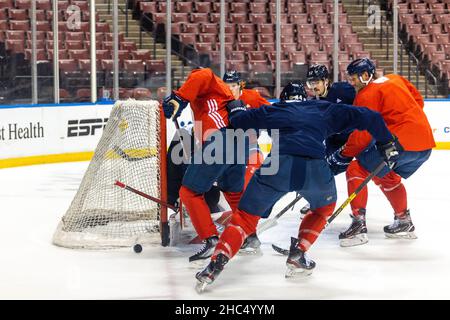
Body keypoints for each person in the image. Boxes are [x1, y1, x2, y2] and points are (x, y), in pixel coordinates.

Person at [195, 82, 401, 290]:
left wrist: (237, 106)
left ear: (283, 99)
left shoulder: (274, 109)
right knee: (322, 209)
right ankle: (299, 253)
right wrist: (386, 143)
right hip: (315, 169)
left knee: (245, 219)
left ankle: (216, 262)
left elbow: (238, 122)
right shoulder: (324, 109)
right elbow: (371, 117)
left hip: (277, 167)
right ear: (306, 98)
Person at [329, 58, 436, 247]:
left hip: (400, 145)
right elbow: (418, 101)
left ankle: (358, 226)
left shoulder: (367, 93)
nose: (352, 82)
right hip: (425, 145)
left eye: (354, 78)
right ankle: (403, 221)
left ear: (366, 75)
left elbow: (361, 136)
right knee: (385, 175)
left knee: (356, 169)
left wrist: (343, 154)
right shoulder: (396, 78)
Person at [162, 68, 248, 263]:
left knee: (189, 192)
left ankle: (210, 239)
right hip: (238, 142)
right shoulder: (219, 98)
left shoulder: (208, 79)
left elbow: (204, 73)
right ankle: (248, 236)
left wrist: (179, 97)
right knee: (232, 192)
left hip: (221, 140)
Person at [222, 70, 271, 253]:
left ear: (240, 85)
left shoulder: (253, 96)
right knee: (230, 188)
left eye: (233, 86)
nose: (230, 89)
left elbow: (271, 112)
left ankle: (248, 229)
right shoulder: (221, 100)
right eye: (226, 86)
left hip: (251, 147)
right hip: (227, 149)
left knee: (251, 185)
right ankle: (248, 232)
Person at [298, 65, 357, 216]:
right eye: (311, 83)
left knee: (360, 173)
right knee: (320, 169)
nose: (313, 87)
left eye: (316, 82)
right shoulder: (314, 102)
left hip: (355, 138)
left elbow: (363, 99)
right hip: (335, 141)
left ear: (326, 81)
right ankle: (320, 199)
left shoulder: (342, 90)